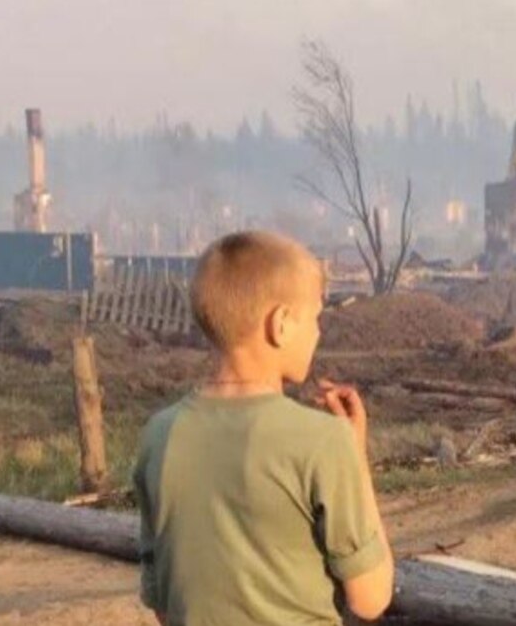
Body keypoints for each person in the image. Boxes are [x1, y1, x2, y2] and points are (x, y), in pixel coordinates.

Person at [133, 231, 393, 625]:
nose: (319, 332)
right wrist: (355, 458)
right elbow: (370, 598)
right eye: (316, 317)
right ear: (281, 324)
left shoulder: (159, 435)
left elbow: (163, 604)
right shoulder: (323, 441)